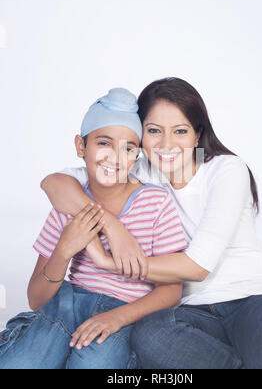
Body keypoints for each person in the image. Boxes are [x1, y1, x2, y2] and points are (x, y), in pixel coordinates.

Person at [41, 78, 262, 369]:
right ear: (140, 137)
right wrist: (112, 226)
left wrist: (108, 261)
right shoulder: (143, 169)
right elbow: (55, 183)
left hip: (253, 297)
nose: (166, 145)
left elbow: (197, 267)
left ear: (197, 134)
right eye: (153, 131)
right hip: (189, 312)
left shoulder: (225, 169)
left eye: (180, 131)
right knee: (149, 336)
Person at [0, 88, 188, 370]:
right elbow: (36, 299)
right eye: (104, 143)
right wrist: (64, 250)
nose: (115, 157)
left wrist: (117, 318)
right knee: (23, 362)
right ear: (80, 147)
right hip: (66, 302)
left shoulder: (156, 203)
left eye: (128, 148)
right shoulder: (69, 202)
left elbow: (172, 290)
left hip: (125, 314)